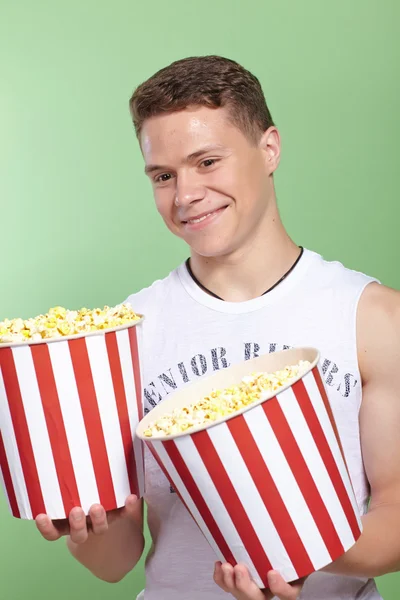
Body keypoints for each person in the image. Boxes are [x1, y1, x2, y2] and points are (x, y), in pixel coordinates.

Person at [35, 56, 400, 600]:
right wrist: (87, 532)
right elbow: (117, 562)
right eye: (164, 176)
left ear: (269, 149)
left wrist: (296, 553)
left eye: (207, 162)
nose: (185, 195)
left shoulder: (373, 317)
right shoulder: (123, 336)